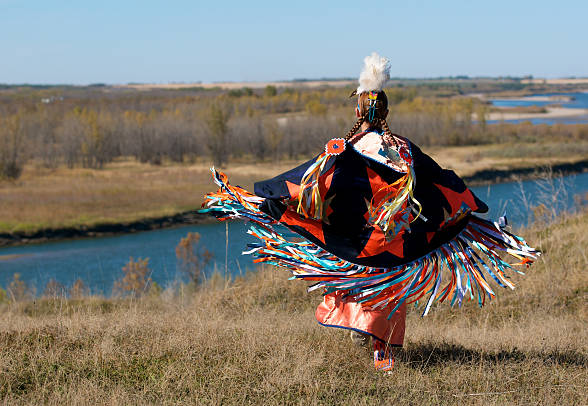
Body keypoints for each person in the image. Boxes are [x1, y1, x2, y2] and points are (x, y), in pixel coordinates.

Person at [201, 53, 539, 373]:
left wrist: (271, 198)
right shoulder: (404, 149)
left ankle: (366, 336)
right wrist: (466, 211)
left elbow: (307, 185)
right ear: (385, 112)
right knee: (387, 287)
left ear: (359, 111)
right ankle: (383, 350)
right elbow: (440, 183)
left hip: (356, 243)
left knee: (356, 279)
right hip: (396, 247)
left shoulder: (343, 151)